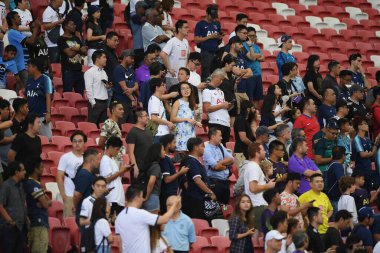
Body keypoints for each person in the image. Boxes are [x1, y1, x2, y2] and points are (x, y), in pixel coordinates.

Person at [115, 185, 181, 253]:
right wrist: (174, 205)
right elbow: (164, 219)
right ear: (137, 197)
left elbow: (120, 242)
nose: (143, 199)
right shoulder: (140, 213)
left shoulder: (119, 217)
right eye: (141, 196)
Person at [244, 143, 276, 235]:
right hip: (258, 206)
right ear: (257, 153)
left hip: (258, 206)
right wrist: (268, 186)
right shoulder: (254, 167)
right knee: (262, 236)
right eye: (262, 150)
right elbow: (253, 188)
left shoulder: (253, 166)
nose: (265, 151)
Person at [182, 137, 216, 219]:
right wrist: (210, 192)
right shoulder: (192, 161)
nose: (204, 148)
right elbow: (197, 180)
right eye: (202, 146)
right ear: (196, 147)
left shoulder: (193, 161)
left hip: (197, 199)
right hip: (195, 201)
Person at [7, 11, 41, 91]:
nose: (20, 18)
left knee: (24, 89)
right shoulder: (13, 32)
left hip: (24, 65)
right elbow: (31, 41)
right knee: (24, 90)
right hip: (20, 66)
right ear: (12, 20)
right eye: (17, 17)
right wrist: (36, 27)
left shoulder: (17, 32)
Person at [24, 158, 51, 253]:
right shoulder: (32, 184)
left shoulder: (36, 184)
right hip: (37, 222)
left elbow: (47, 202)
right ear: (36, 169)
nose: (43, 168)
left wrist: (45, 202)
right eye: (41, 167)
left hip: (40, 222)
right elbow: (46, 204)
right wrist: (45, 203)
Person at [57, 131, 86, 217]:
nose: (77, 143)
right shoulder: (65, 157)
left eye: (80, 141)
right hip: (69, 195)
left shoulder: (87, 158)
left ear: (84, 142)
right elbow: (59, 176)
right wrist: (64, 196)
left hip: (83, 197)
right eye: (74, 141)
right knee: (69, 222)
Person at [100, 137, 132, 216]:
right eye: (117, 149)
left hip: (117, 198)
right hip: (112, 199)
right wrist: (121, 171)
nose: (117, 152)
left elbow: (115, 177)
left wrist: (123, 170)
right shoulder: (105, 160)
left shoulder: (112, 160)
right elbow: (106, 180)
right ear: (110, 147)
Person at [0, 161, 27, 253]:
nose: (25, 172)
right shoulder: (6, 186)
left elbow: (22, 204)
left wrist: (26, 218)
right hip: (9, 229)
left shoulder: (20, 186)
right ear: (16, 172)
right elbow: (0, 205)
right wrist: (10, 221)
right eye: (23, 170)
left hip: (20, 227)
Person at [203, 127, 234, 204]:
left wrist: (220, 162)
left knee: (226, 206)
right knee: (217, 207)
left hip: (225, 182)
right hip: (215, 184)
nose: (221, 138)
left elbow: (232, 159)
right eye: (220, 135)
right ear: (213, 137)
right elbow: (215, 167)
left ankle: (225, 215)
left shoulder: (221, 146)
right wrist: (225, 165)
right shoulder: (207, 150)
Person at [25, 58, 53, 139]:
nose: (27, 69)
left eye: (29, 66)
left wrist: (48, 113)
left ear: (35, 67)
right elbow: (27, 96)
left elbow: (48, 96)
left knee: (47, 139)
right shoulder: (29, 80)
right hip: (30, 116)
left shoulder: (45, 79)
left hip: (41, 116)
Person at [159, 134, 188, 212]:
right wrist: (180, 172)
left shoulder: (167, 158)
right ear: (168, 145)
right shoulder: (165, 159)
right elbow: (167, 179)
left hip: (171, 194)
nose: (176, 145)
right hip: (167, 195)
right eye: (174, 143)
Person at [203, 68, 232, 146]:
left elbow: (220, 106)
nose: (221, 81)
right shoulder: (207, 91)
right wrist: (222, 105)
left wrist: (227, 106)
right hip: (216, 122)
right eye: (220, 79)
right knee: (215, 146)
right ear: (215, 77)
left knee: (224, 147)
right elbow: (207, 108)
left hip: (226, 122)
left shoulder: (221, 91)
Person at [194, 4, 223, 81]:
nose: (213, 18)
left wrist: (219, 38)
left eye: (214, 16)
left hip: (216, 52)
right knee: (206, 75)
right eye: (211, 16)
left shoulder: (217, 23)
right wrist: (210, 37)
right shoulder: (200, 24)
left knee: (216, 74)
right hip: (206, 53)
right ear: (207, 14)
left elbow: (219, 39)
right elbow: (196, 40)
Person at [170, 81, 201, 152]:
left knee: (191, 154)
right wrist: (186, 119)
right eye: (183, 89)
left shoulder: (193, 103)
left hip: (191, 132)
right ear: (180, 91)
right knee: (182, 155)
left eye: (187, 88)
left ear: (191, 89)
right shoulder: (177, 102)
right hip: (181, 132)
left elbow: (193, 119)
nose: (186, 90)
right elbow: (172, 119)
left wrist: (196, 122)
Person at [352, 116, 380, 192]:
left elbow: (372, 154)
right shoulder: (357, 139)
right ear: (359, 126)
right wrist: (371, 151)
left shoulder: (367, 139)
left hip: (368, 170)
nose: (367, 125)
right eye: (364, 123)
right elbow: (363, 155)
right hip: (360, 172)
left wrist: (376, 143)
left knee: (369, 192)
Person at [73, 149, 100, 226]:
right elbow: (77, 194)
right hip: (85, 215)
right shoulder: (84, 175)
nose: (99, 162)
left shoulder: (90, 174)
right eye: (98, 159)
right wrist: (74, 208)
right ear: (92, 160)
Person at [160, 19, 190, 88]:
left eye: (188, 27)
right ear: (179, 29)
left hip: (182, 77)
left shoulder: (186, 42)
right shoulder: (172, 41)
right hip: (172, 77)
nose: (188, 29)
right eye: (185, 27)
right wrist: (169, 69)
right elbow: (162, 54)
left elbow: (187, 55)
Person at [85, 50, 111, 126]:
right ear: (97, 58)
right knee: (93, 125)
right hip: (96, 102)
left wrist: (108, 86)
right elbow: (88, 88)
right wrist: (93, 102)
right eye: (104, 57)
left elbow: (104, 87)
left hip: (104, 102)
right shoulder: (89, 72)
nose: (106, 59)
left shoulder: (104, 72)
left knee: (102, 126)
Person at [126, 109, 153, 182]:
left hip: (149, 168)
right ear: (139, 118)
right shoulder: (133, 133)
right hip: (139, 168)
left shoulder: (148, 132)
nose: (148, 117)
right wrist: (135, 167)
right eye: (146, 116)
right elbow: (130, 152)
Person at [112, 49, 139, 123]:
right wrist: (133, 99)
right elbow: (124, 88)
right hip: (121, 102)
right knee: (121, 124)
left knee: (131, 125)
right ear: (125, 57)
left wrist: (132, 90)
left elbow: (136, 85)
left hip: (130, 103)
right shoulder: (118, 69)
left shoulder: (131, 70)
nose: (133, 60)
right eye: (131, 58)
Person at [148, 78, 176, 143]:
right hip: (159, 133)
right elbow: (154, 118)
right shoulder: (154, 100)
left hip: (162, 132)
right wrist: (168, 123)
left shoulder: (157, 99)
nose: (164, 87)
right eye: (163, 85)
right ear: (157, 87)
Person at [140, 143, 164, 213]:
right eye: (163, 150)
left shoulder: (148, 165)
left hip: (144, 195)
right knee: (153, 222)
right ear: (158, 153)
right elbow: (151, 182)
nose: (164, 152)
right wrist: (147, 196)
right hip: (152, 196)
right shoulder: (156, 166)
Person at [245, 26, 264, 107]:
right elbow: (251, 57)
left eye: (254, 36)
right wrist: (257, 56)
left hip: (258, 75)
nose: (253, 37)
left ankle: (255, 115)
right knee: (249, 98)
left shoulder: (256, 46)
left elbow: (263, 58)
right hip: (250, 75)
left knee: (257, 98)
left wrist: (256, 56)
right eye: (250, 36)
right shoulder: (244, 45)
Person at [233, 100, 255, 166]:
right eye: (253, 108)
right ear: (248, 109)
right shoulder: (240, 120)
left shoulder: (246, 121)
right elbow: (243, 138)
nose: (254, 110)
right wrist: (253, 146)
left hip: (246, 152)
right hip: (241, 154)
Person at [325, 146, 346, 213]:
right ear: (343, 155)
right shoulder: (337, 165)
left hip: (331, 197)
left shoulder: (331, 164)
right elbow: (341, 181)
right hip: (336, 199)